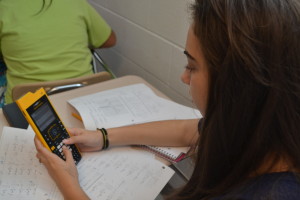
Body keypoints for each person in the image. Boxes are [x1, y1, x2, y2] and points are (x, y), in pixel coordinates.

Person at [34, 0, 300, 199]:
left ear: (237, 85)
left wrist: (68, 184)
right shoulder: (259, 123)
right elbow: (189, 130)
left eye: (192, 67)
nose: (184, 77)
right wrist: (102, 136)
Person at [0, 0, 116, 104]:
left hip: (27, 106)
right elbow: (109, 41)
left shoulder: (4, 7)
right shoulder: (76, 2)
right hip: (83, 98)